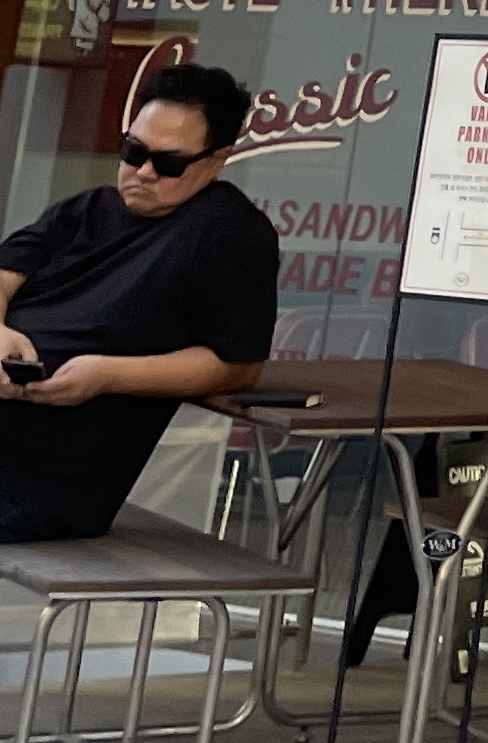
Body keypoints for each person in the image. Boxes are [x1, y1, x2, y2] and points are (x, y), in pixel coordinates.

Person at [0, 64, 279, 540]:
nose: (143, 173)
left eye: (169, 163)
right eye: (133, 152)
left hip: (42, 477)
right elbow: (7, 269)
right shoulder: (89, 208)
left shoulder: (231, 233)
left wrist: (107, 375)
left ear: (217, 160)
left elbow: (238, 365)